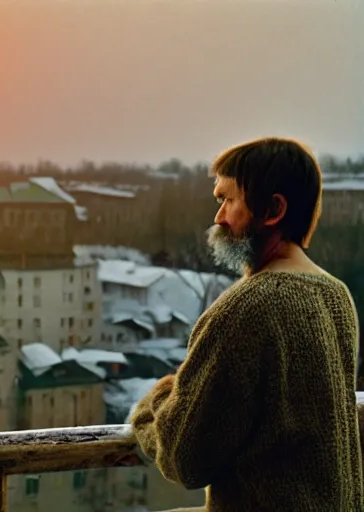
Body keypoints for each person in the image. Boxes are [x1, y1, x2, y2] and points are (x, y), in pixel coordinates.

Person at [130, 137, 364, 511]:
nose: (219, 217)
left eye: (228, 200)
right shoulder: (336, 296)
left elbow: (184, 457)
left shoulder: (246, 309)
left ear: (273, 209)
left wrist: (156, 401)